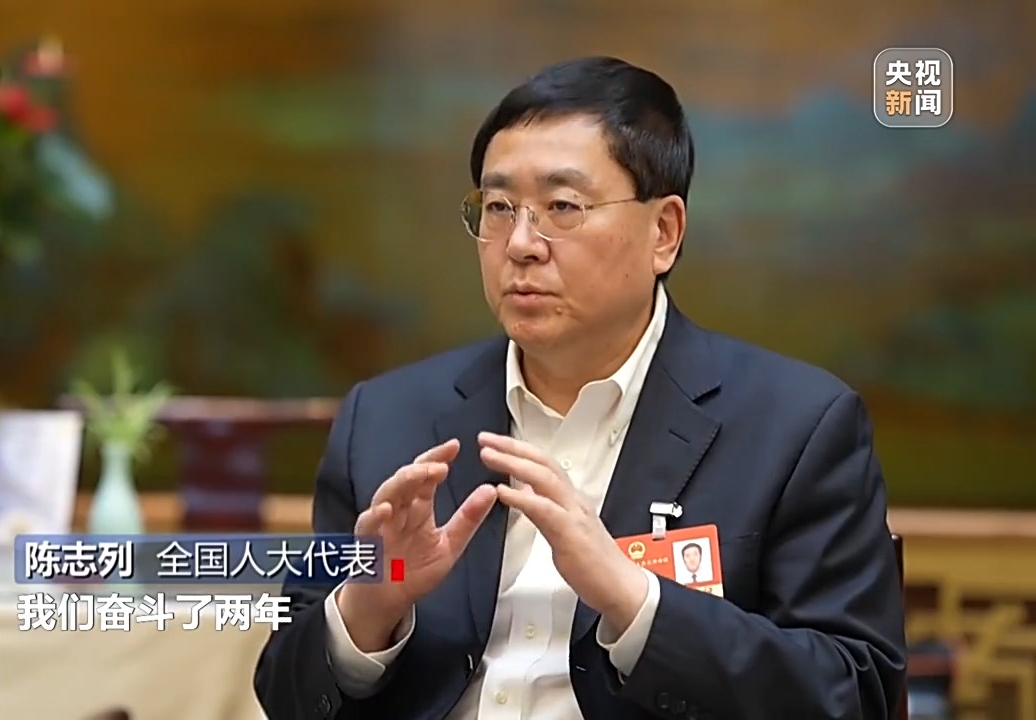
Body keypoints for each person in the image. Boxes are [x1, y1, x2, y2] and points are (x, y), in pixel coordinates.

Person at [253, 55, 907, 720]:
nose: (521, 243)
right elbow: (286, 693)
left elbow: (854, 693)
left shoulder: (795, 426)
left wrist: (635, 601)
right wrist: (367, 608)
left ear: (663, 232)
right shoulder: (386, 419)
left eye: (562, 207)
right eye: (499, 207)